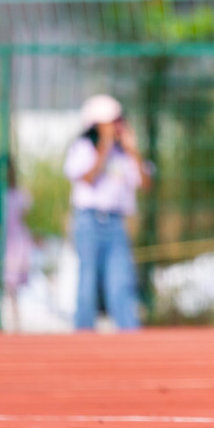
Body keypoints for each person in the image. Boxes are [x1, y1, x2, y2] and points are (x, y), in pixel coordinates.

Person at [63, 94, 149, 331]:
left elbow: (145, 182)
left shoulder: (124, 154)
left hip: (116, 222)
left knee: (121, 281)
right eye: (112, 122)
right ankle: (84, 334)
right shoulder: (82, 148)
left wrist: (133, 151)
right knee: (87, 280)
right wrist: (105, 146)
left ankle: (129, 335)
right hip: (88, 220)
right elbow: (87, 178)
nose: (119, 125)